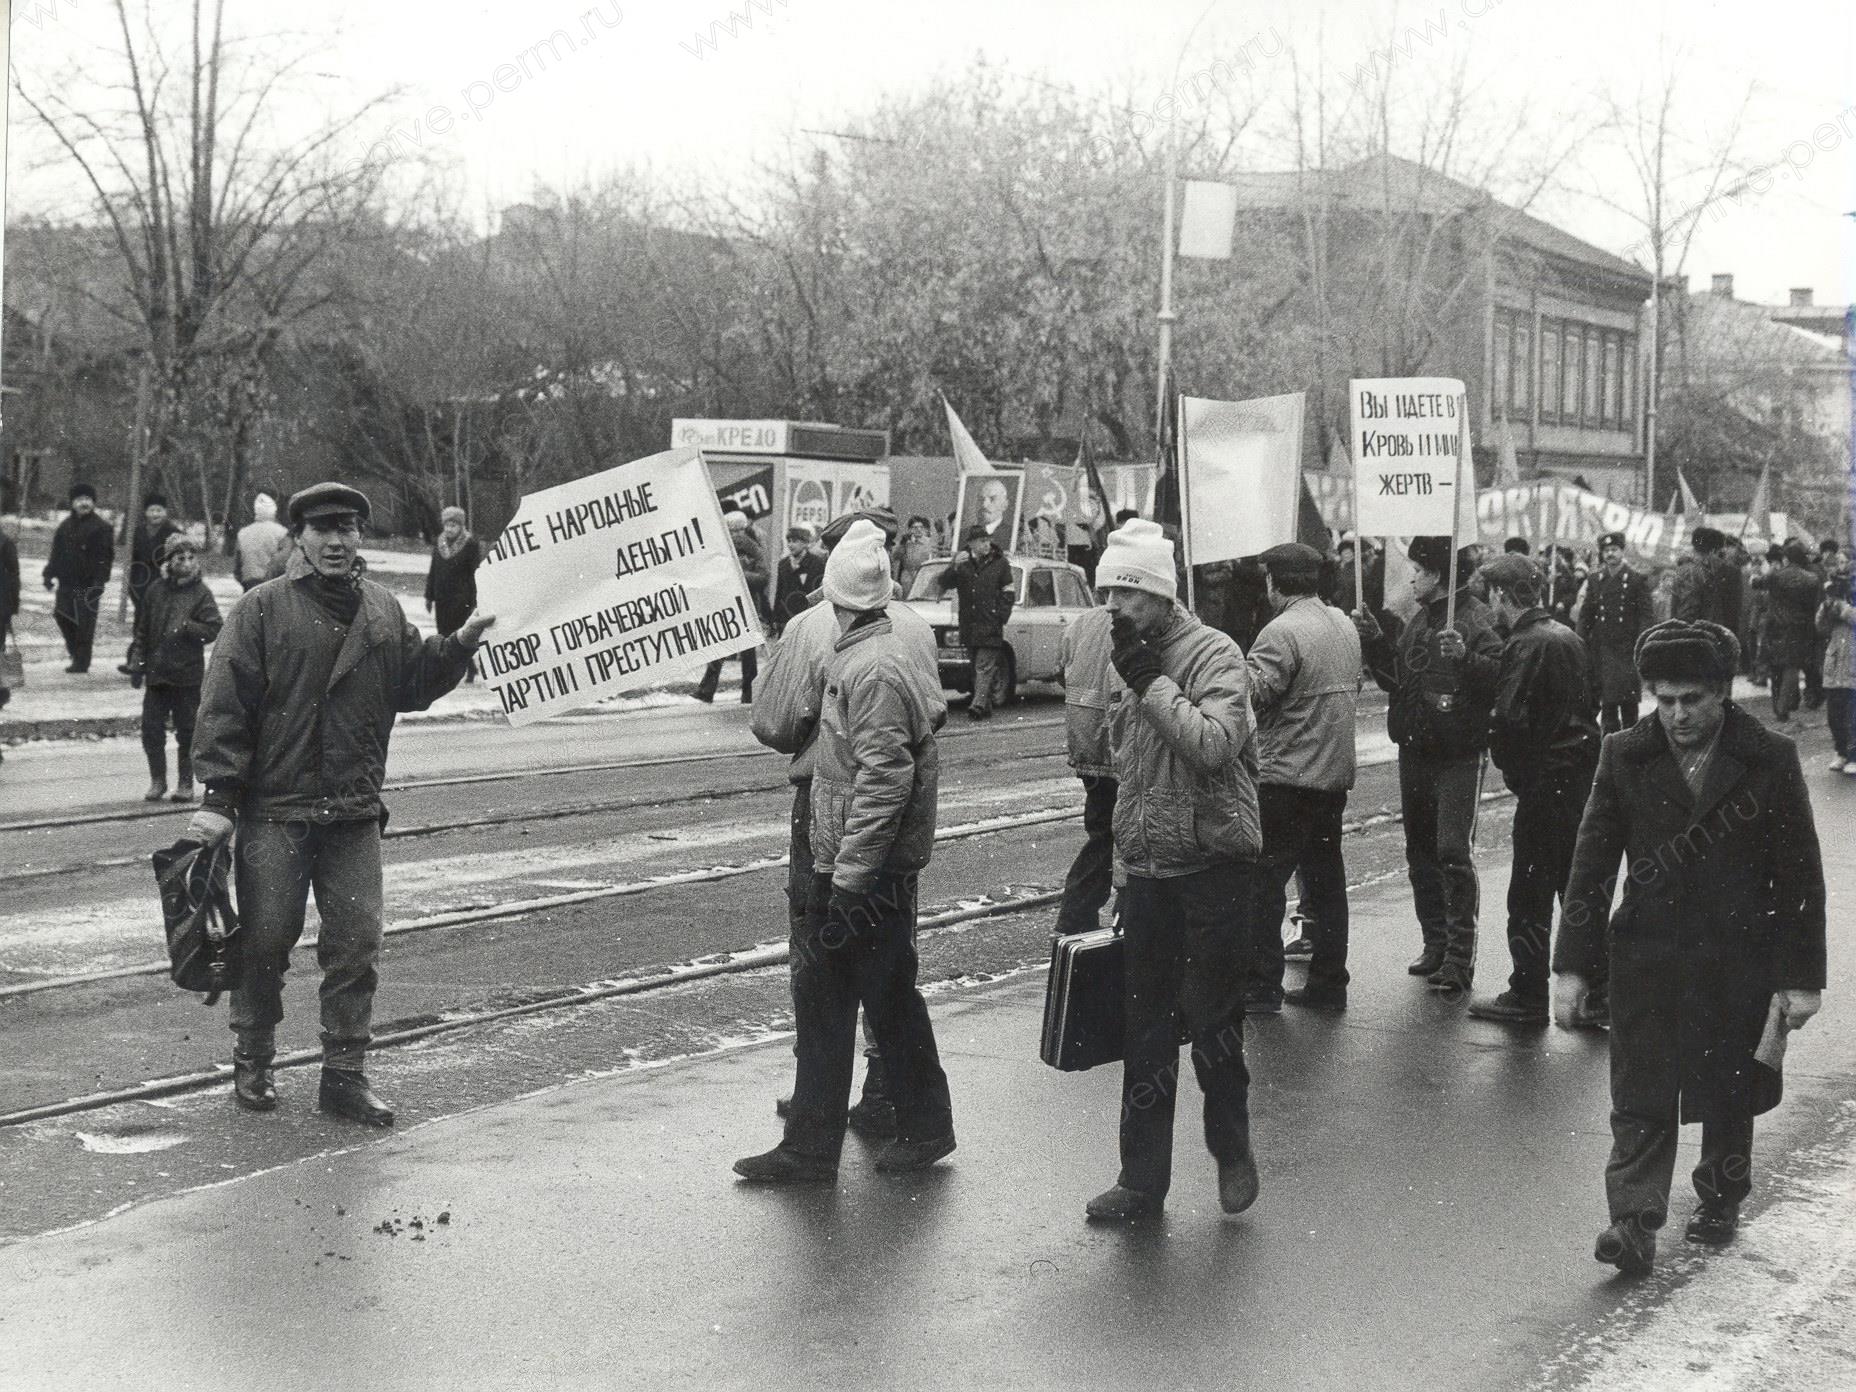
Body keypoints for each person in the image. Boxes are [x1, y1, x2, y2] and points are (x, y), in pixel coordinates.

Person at [189, 483, 493, 1126]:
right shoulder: (262, 609)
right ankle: (254, 1059)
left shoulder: (380, 608)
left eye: (348, 529)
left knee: (356, 945)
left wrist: (461, 642)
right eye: (323, 530)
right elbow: (225, 706)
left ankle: (345, 1077)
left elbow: (412, 681)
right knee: (266, 942)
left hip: (353, 810)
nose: (336, 541)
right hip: (278, 809)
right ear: (299, 537)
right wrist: (219, 797)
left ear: (360, 536)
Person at [1554, 620, 1825, 1275]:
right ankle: (1633, 1221)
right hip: (1647, 953)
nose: (1675, 714)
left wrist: (1800, 978)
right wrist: (1570, 966)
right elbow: (1592, 864)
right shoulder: (1625, 752)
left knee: (1730, 1088)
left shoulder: (1767, 756)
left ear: (1722, 693)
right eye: (1663, 698)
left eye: (1691, 700)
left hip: (1739, 957)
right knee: (1640, 1091)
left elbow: (1799, 874)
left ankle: (1720, 1196)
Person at [734, 521, 955, 1182]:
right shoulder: (894, 638)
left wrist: (848, 878)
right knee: (851, 988)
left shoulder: (864, 658)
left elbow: (883, 776)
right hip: (856, 844)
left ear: (834, 591)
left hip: (854, 850)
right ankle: (819, 1140)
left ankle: (917, 1126)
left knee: (865, 989)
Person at [1080, 519, 1261, 1223]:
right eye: (1107, 592)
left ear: (1160, 593)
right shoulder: (1127, 655)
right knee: (1145, 1027)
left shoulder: (1214, 653)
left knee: (1214, 1023)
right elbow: (1127, 771)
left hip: (1215, 864)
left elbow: (1214, 746)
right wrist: (1123, 872)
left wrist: (1152, 683)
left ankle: (1231, 1147)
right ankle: (1140, 1181)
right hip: (1153, 870)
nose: (1114, 606)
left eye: (1128, 591)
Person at [1355, 537, 1502, 994]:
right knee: (1419, 851)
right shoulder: (1419, 620)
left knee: (1453, 852)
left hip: (1457, 754)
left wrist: (1469, 660)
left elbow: (1502, 678)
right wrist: (1376, 642)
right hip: (1416, 751)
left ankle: (1459, 958)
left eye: (1417, 570)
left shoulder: (1476, 620)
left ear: (1438, 575)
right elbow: (1398, 680)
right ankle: (1435, 943)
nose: (1411, 578)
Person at [1458, 555, 1601, 1026]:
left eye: (1491, 597)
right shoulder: (1567, 637)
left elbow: (1510, 717)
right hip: (1577, 776)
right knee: (1572, 888)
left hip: (1544, 783)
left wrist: (1512, 768)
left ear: (1502, 594)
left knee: (1528, 896)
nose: (1489, 609)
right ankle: (1598, 989)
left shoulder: (1523, 643)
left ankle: (1527, 993)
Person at [1242, 542, 1361, 1013]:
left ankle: (1260, 986)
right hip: (1331, 777)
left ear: (1274, 582)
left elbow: (1251, 696)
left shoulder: (1280, 632)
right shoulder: (1343, 623)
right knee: (1327, 885)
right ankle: (1329, 984)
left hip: (1286, 777)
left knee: (1263, 885)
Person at [128, 535, 222, 803]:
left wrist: (189, 627)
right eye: (180, 558)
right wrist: (137, 664)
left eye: (192, 558)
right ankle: (157, 780)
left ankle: (185, 783)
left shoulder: (201, 593)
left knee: (188, 731)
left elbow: (215, 627)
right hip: (157, 675)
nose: (187, 563)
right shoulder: (155, 591)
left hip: (187, 675)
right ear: (169, 561)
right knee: (151, 729)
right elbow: (142, 631)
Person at [1052, 602, 1117, 937]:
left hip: (1089, 746)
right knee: (1125, 839)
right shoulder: (1143, 623)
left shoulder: (1079, 625)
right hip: (1120, 749)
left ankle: (1076, 917)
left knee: (1102, 835)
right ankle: (1121, 917)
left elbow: (1064, 673)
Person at [934, 524, 1016, 720]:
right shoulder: (962, 563)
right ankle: (985, 705)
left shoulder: (1000, 563)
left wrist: (1000, 616)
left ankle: (977, 706)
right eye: (982, 541)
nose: (986, 544)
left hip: (990, 623)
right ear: (971, 544)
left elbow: (1009, 592)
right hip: (969, 624)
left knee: (983, 666)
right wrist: (953, 566)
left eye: (988, 540)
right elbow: (944, 584)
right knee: (974, 667)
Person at [1578, 531, 1655, 734]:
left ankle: (1632, 743)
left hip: (1627, 649)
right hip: (1603, 649)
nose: (1610, 554)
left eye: (1614, 550)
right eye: (1606, 551)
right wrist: (1580, 640)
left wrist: (1642, 642)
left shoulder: (1636, 579)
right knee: (1608, 705)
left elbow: (1646, 616)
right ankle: (1610, 746)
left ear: (1622, 551)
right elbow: (1587, 613)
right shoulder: (1596, 579)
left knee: (1628, 704)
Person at [695, 509, 769, 703]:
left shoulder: (754, 548)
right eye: (731, 531)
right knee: (721, 644)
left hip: (746, 602)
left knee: (747, 651)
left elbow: (763, 577)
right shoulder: (721, 548)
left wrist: (741, 576)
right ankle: (707, 689)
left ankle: (748, 691)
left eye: (737, 531)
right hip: (726, 600)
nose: (735, 535)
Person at [42, 482, 115, 674]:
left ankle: (81, 662)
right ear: (73, 503)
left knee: (84, 623)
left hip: (89, 584)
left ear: (93, 502)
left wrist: (100, 581)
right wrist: (48, 574)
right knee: (61, 615)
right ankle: (76, 653)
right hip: (66, 582)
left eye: (88, 499)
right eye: (80, 499)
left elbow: (105, 558)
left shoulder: (102, 527)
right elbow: (55, 553)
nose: (84, 503)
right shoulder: (65, 526)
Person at [120, 492, 182, 675]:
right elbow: (132, 558)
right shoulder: (137, 531)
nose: (155, 514)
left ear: (165, 512)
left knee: (160, 624)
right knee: (140, 623)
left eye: (159, 510)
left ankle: (155, 662)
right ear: (146, 512)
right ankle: (136, 661)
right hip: (140, 583)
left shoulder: (173, 532)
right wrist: (130, 584)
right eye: (152, 510)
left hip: (163, 583)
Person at [1763, 540, 1821, 723]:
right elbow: (1813, 606)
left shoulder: (1776, 576)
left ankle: (1778, 706)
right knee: (1792, 666)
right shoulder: (1811, 579)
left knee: (1776, 667)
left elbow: (1757, 583)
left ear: (1786, 558)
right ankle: (1783, 707)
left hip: (1776, 627)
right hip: (1800, 628)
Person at [423, 506, 482, 642]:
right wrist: (429, 596)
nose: (449, 529)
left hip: (461, 600)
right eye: (446, 525)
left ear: (461, 526)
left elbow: (475, 574)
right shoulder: (440, 543)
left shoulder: (470, 544)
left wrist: (475, 601)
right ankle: (445, 661)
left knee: (459, 636)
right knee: (443, 634)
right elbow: (433, 571)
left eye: (453, 525)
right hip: (442, 598)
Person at [1671, 526, 1739, 630]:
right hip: (1694, 636)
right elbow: (1689, 612)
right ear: (1712, 552)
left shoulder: (1686, 570)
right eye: (1719, 553)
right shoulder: (1697, 573)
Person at [1821, 574, 1856, 773]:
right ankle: (1841, 752)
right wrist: (1826, 608)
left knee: (1852, 717)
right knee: (1834, 716)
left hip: (1852, 670)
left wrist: (1843, 608)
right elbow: (1821, 628)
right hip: (1834, 670)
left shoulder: (1846, 607)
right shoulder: (1834, 606)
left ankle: (1853, 755)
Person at [772, 526, 824, 634]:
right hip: (785, 617)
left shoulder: (816, 563)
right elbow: (779, 591)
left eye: (794, 541)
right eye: (789, 541)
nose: (790, 545)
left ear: (805, 543)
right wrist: (776, 617)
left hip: (806, 616)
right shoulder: (783, 564)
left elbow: (818, 592)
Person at [234, 492, 289, 592]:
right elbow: (285, 562)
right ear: (273, 511)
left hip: (249, 582)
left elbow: (237, 565)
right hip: (272, 583)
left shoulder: (242, 533)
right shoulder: (281, 532)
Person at [891, 516, 933, 598]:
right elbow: (895, 557)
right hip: (907, 577)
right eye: (915, 527)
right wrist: (903, 544)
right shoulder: (906, 543)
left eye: (921, 527)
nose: (919, 530)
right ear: (910, 530)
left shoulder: (929, 543)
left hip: (923, 576)